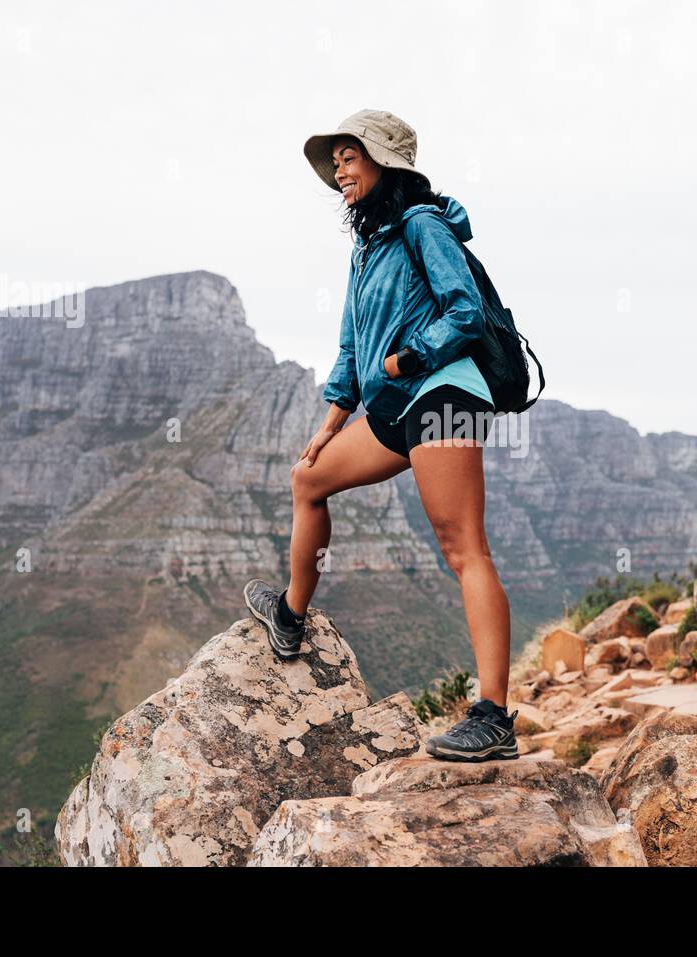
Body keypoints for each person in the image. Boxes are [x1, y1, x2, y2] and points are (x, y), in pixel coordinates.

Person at [243, 109, 518, 762]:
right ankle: (289, 615)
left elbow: (464, 308)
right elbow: (348, 343)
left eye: (349, 155)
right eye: (333, 159)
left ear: (383, 161)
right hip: (394, 408)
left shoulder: (423, 225)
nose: (339, 169)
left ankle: (495, 716)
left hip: (443, 392)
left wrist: (411, 357)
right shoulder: (367, 245)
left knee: (462, 546)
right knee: (308, 478)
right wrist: (332, 420)